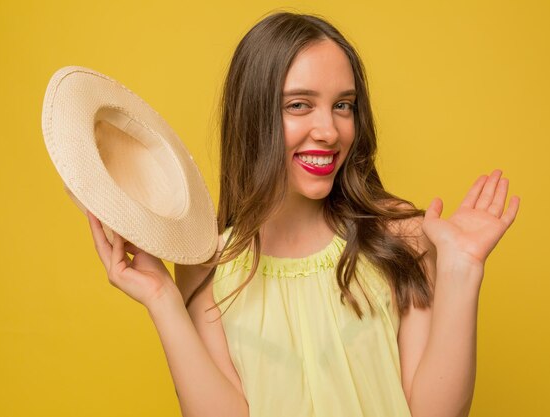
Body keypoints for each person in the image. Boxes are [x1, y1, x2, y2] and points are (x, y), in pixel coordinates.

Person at [86, 11, 520, 417]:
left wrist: (462, 270)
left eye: (343, 105)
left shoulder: (400, 236)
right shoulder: (206, 264)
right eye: (299, 105)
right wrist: (163, 300)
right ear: (253, 117)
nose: (330, 131)